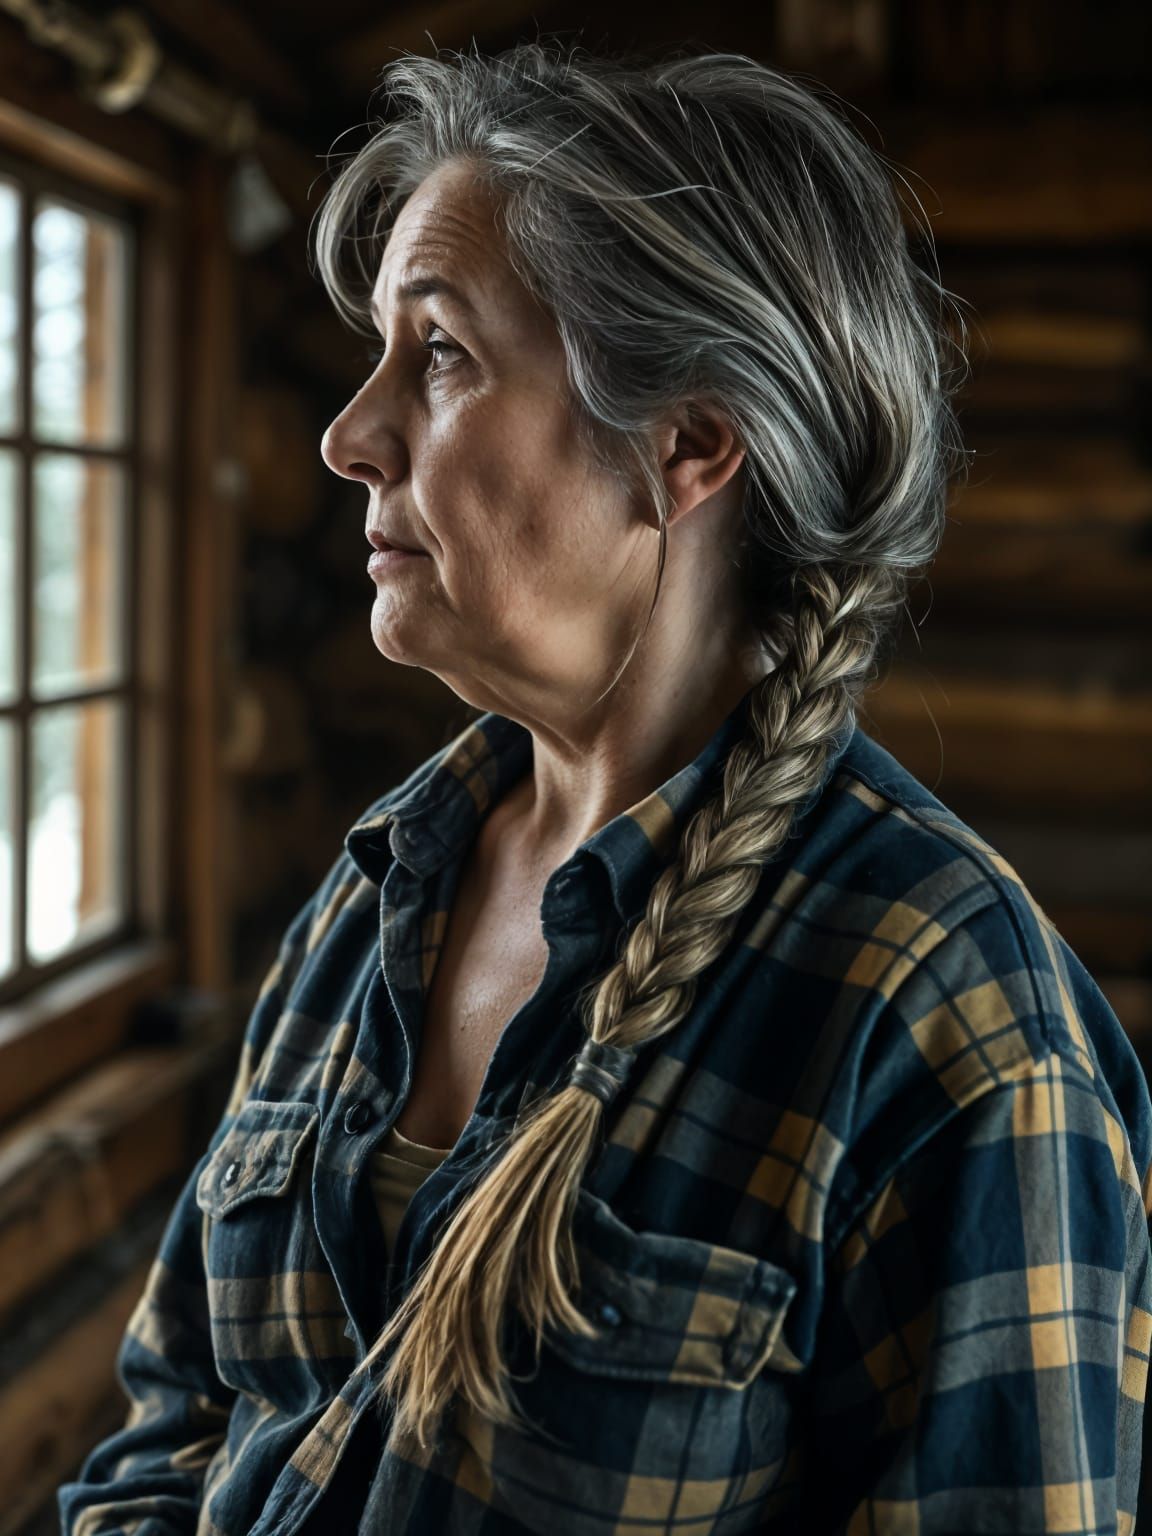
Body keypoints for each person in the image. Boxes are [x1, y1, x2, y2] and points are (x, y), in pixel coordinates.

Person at [59, 39, 1152, 1536]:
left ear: (687, 444)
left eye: (439, 354)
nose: (346, 434)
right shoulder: (382, 889)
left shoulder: (943, 1014)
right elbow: (177, 1429)